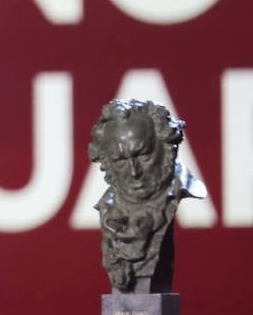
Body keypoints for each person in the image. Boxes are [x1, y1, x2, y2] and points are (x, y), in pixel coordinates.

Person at [87, 99, 203, 294]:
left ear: (166, 148)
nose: (134, 172)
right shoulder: (108, 210)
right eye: (120, 160)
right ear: (107, 162)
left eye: (144, 155)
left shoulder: (181, 186)